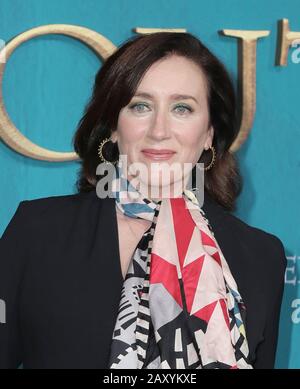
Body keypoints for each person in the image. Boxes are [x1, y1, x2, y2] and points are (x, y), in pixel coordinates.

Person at [0, 32, 286, 369]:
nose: (159, 130)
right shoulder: (38, 233)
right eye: (140, 106)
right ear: (114, 127)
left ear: (209, 133)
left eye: (182, 108)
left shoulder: (260, 256)